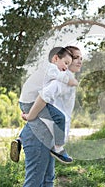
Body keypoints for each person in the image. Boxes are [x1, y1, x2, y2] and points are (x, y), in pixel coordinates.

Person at [17, 46, 83, 186]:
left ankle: (21, 137)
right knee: (36, 181)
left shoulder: (60, 77)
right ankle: (27, 139)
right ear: (57, 59)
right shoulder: (58, 79)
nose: (78, 61)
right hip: (42, 135)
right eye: (74, 58)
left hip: (48, 134)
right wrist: (30, 116)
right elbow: (43, 98)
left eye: (80, 58)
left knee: (47, 179)